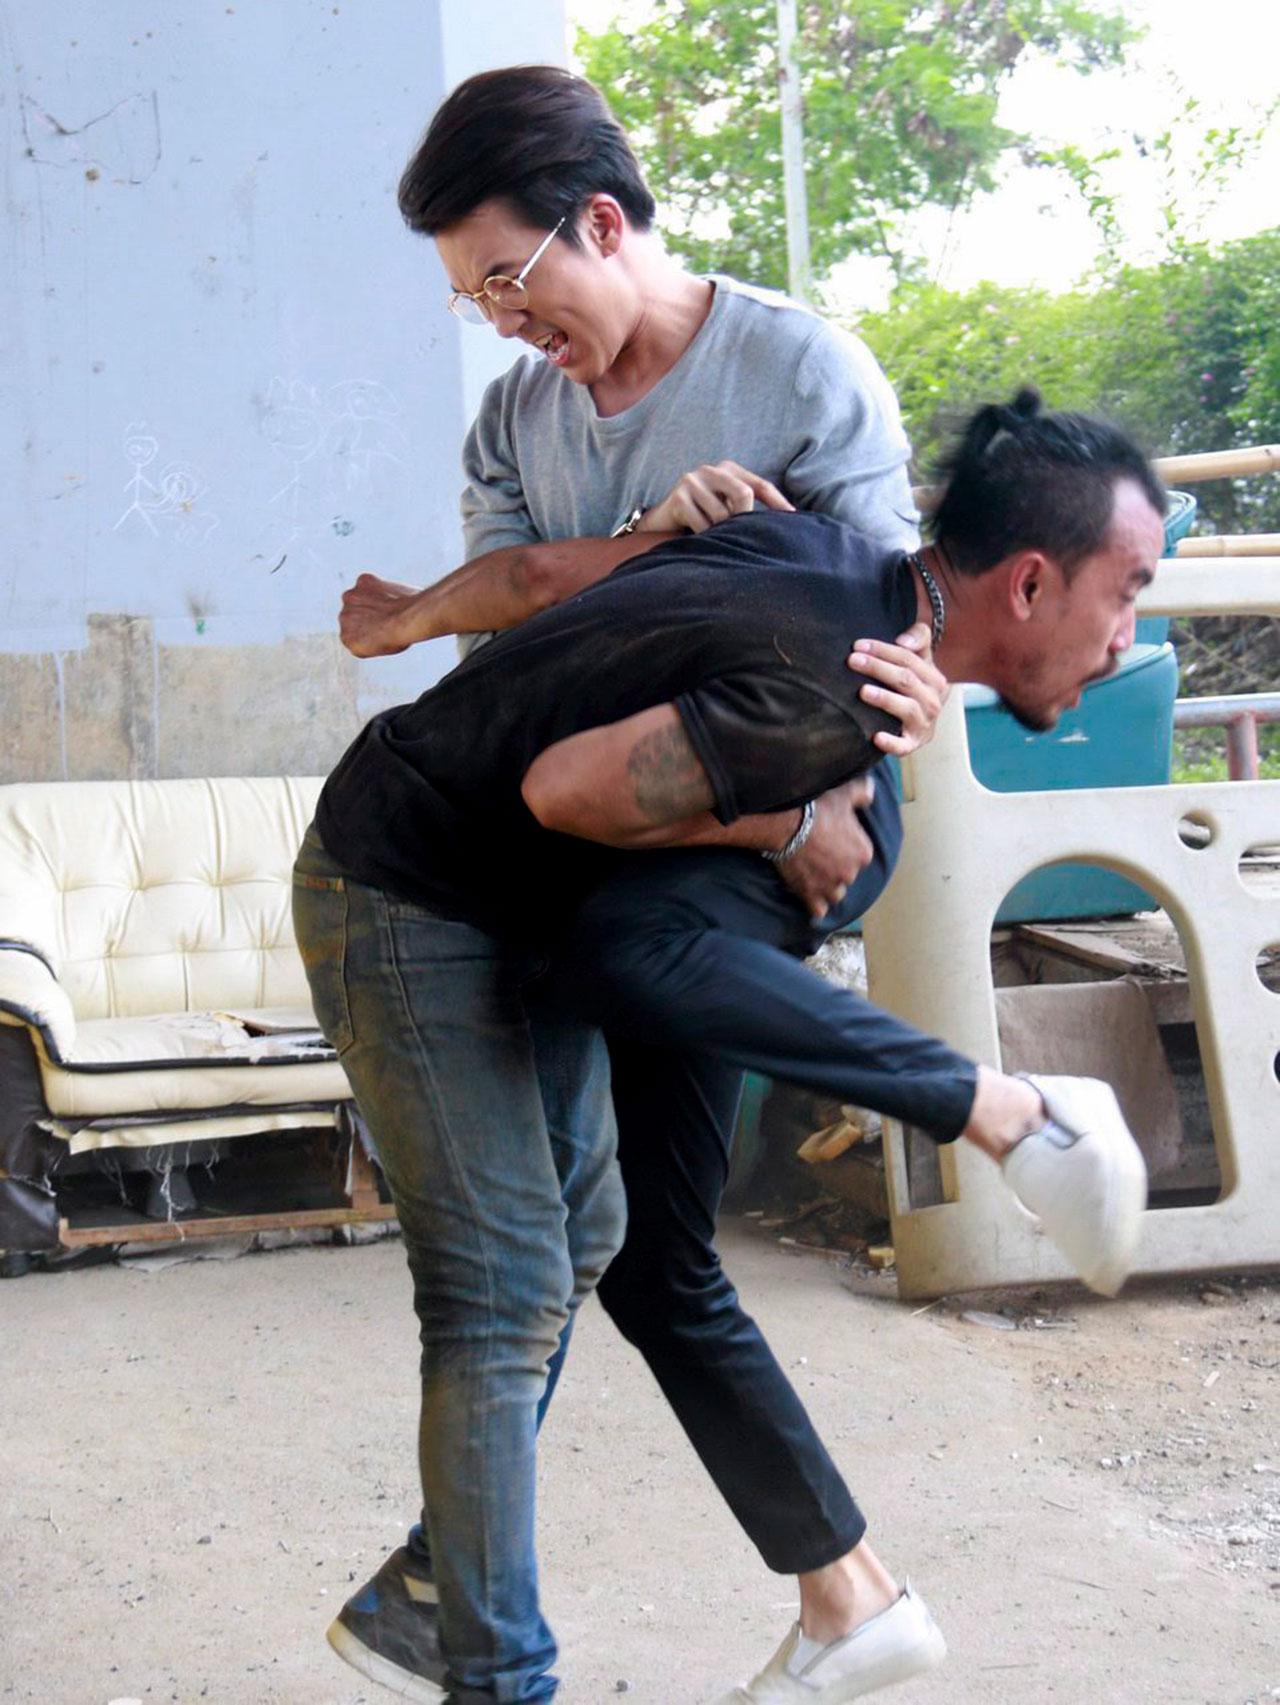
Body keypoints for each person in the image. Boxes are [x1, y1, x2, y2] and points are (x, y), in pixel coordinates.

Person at [294, 389, 1165, 1703]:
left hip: (512, 898)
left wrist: (417, 615)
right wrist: (785, 823)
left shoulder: (836, 562)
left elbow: (556, 586)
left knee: (601, 1240)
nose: (1130, 634)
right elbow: (563, 789)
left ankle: (440, 1582)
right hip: (405, 884)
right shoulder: (832, 683)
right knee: (504, 1286)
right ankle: (499, 1676)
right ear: (1032, 581)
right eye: (1129, 593)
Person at [322, 60, 951, 1705]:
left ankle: (489, 1593)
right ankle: (837, 1599)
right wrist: (657, 541)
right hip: (576, 847)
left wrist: (799, 812)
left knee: (621, 1251)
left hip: (754, 833)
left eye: (509, 279)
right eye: (471, 299)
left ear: (602, 222)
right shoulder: (516, 423)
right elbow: (519, 656)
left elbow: (892, 625)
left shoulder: (796, 369)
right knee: (614, 1246)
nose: (501, 322)